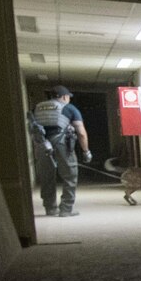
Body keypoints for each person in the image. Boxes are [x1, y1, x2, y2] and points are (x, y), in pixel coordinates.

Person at [28, 84, 90, 218]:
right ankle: (66, 209)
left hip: (42, 145)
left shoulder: (36, 108)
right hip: (62, 144)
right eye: (68, 97)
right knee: (70, 175)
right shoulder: (69, 108)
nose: (69, 99)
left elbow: (32, 129)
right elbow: (81, 132)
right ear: (63, 97)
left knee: (46, 177)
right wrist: (86, 151)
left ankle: (50, 208)